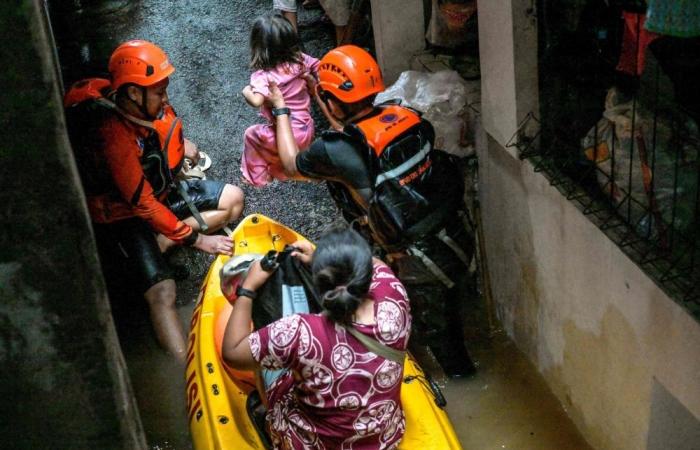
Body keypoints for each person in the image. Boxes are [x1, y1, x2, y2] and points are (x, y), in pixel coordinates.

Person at [263, 45, 477, 377]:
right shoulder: (404, 116)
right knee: (450, 315)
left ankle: (456, 387)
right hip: (454, 232)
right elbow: (353, 131)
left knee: (441, 344)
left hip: (417, 259)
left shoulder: (334, 151)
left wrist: (281, 110)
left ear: (331, 99)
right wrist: (322, 95)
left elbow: (291, 164)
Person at [63, 40, 244, 362]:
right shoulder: (114, 135)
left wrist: (180, 145)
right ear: (133, 93)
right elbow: (142, 204)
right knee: (163, 293)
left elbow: (161, 142)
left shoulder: (143, 111)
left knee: (233, 200)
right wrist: (197, 239)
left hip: (158, 195)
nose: (165, 98)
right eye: (159, 92)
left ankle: (163, 240)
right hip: (125, 217)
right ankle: (183, 364)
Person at [223, 228, 411, 448]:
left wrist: (247, 289)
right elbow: (377, 264)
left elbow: (233, 353)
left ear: (319, 282)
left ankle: (269, 417)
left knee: (266, 363)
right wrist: (317, 257)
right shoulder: (394, 296)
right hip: (383, 437)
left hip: (318, 444)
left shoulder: (300, 332)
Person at [240, 13, 322, 187]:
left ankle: (257, 178)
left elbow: (256, 101)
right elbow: (319, 65)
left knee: (252, 135)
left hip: (289, 130)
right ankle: (283, 169)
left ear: (257, 47)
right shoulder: (300, 60)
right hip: (306, 127)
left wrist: (246, 91)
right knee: (275, 144)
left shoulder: (263, 77)